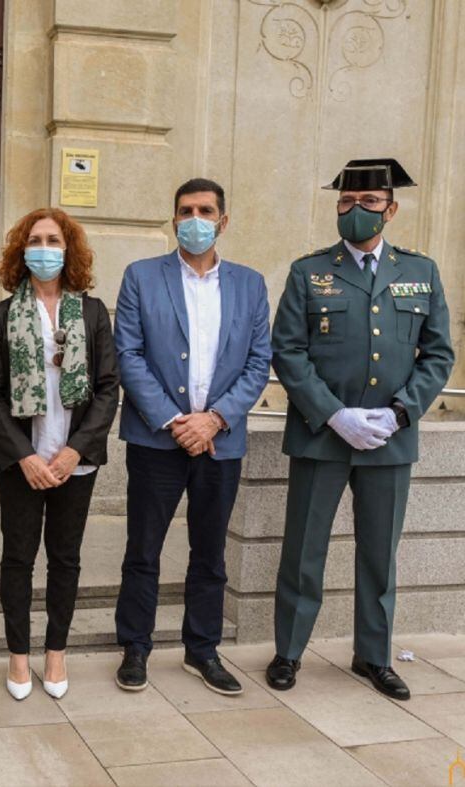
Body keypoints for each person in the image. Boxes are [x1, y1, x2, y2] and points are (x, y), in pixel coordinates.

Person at [266, 159, 454, 699]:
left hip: (389, 439)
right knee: (304, 550)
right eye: (346, 202)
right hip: (322, 435)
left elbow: (438, 354)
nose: (355, 211)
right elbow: (289, 351)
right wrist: (333, 414)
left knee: (379, 553)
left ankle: (373, 656)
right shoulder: (309, 272)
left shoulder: (420, 272)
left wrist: (400, 412)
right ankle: (289, 651)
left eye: (369, 203)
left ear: (390, 210)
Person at [112, 178, 271, 696]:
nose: (194, 219)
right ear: (173, 218)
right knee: (144, 549)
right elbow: (128, 355)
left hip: (221, 442)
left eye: (205, 211)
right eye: (185, 211)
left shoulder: (250, 285)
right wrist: (176, 421)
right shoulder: (141, 277)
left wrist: (215, 419)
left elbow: (257, 362)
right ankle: (135, 647)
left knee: (210, 553)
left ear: (223, 221)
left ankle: (202, 650)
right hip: (158, 440)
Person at [0, 207, 119, 701]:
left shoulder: (94, 313)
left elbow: (107, 389)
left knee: (66, 558)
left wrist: (73, 451)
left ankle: (55, 652)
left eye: (53, 240)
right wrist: (25, 456)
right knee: (18, 558)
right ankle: (18, 656)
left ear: (69, 250)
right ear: (22, 251)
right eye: (35, 240)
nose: (44, 248)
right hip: (24, 463)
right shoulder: (3, 315)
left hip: (73, 462)